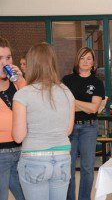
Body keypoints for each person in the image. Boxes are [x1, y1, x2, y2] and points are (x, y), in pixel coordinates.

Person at [12, 42, 75, 200]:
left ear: (31, 64)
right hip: (62, 158)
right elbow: (68, 130)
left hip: (34, 158)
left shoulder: (23, 94)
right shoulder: (66, 91)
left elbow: (18, 136)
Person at [63, 46, 105, 200]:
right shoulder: (67, 80)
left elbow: (94, 109)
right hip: (69, 128)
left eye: (89, 58)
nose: (86, 61)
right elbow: (64, 105)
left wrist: (72, 102)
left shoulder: (97, 82)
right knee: (69, 168)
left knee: (87, 168)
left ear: (93, 63)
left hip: (89, 128)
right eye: (82, 58)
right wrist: (83, 106)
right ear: (77, 61)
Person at [0, 36, 25, 200]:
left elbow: (35, 109)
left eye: (8, 57)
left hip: (21, 151)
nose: (4, 63)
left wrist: (22, 80)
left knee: (26, 196)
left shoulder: (18, 85)